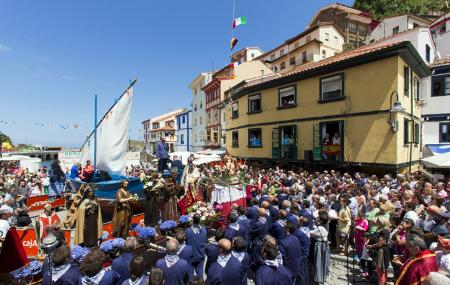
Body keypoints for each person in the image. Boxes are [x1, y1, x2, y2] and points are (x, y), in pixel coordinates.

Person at [310, 211, 331, 284]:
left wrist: (316, 226)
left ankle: (318, 277)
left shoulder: (320, 228)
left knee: (319, 261)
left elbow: (312, 234)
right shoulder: (327, 225)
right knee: (324, 261)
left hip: (319, 245)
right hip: (325, 244)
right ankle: (324, 275)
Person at [185, 214, 207, 279]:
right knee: (200, 276)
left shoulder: (188, 231)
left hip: (191, 257)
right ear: (199, 220)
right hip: (200, 256)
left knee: (190, 277)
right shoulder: (204, 230)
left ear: (193, 220)